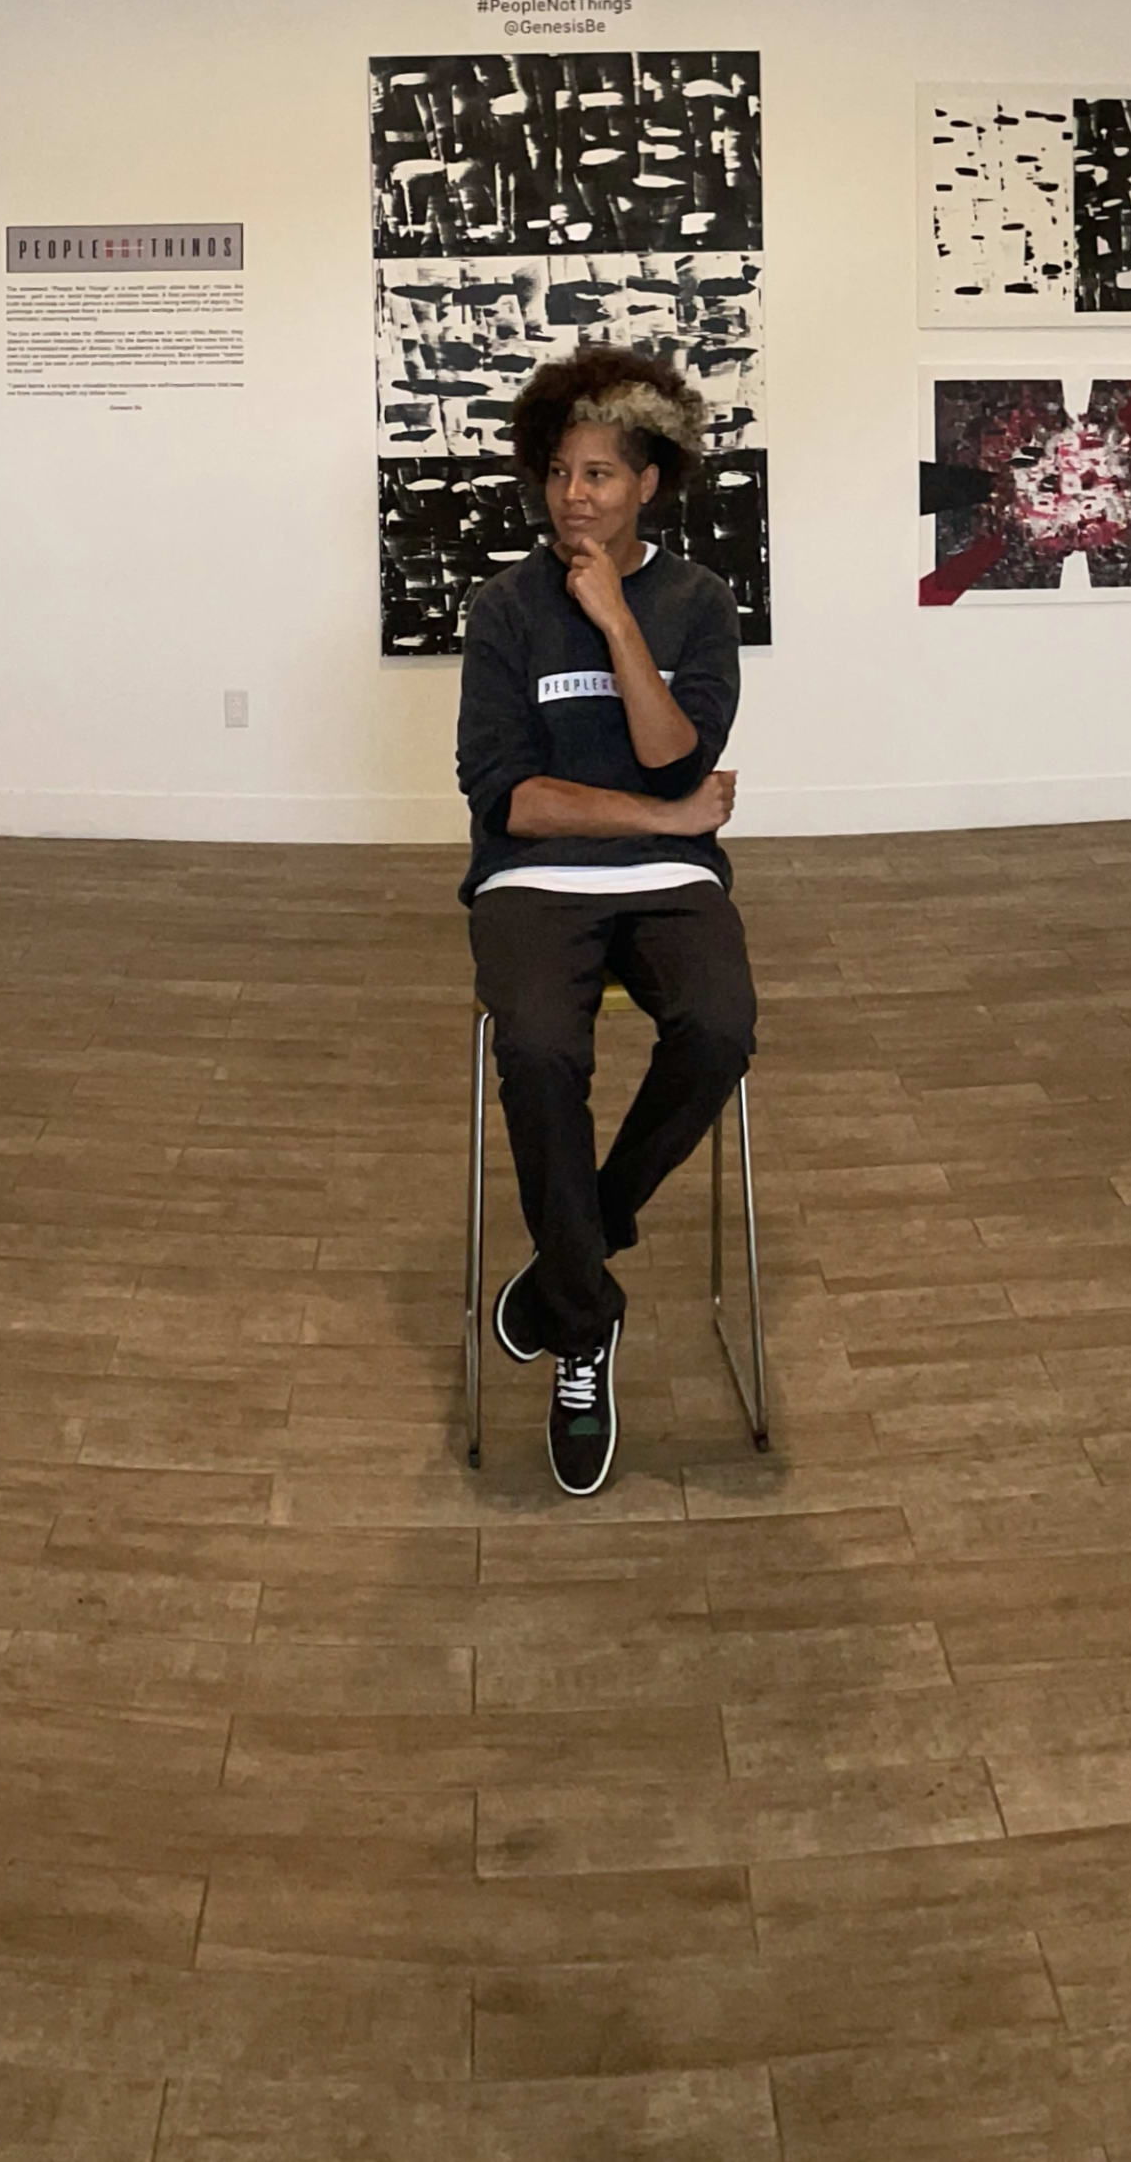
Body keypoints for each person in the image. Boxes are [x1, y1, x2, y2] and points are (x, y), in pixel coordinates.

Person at [453, 343, 755, 1497]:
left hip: (670, 883)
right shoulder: (502, 610)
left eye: (600, 475)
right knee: (536, 1048)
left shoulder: (695, 604)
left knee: (721, 1029)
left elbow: (680, 744)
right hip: (533, 882)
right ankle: (584, 1329)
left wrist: (618, 619)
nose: (575, 495)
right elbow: (514, 798)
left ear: (650, 485)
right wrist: (665, 813)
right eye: (561, 473)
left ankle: (577, 1249)